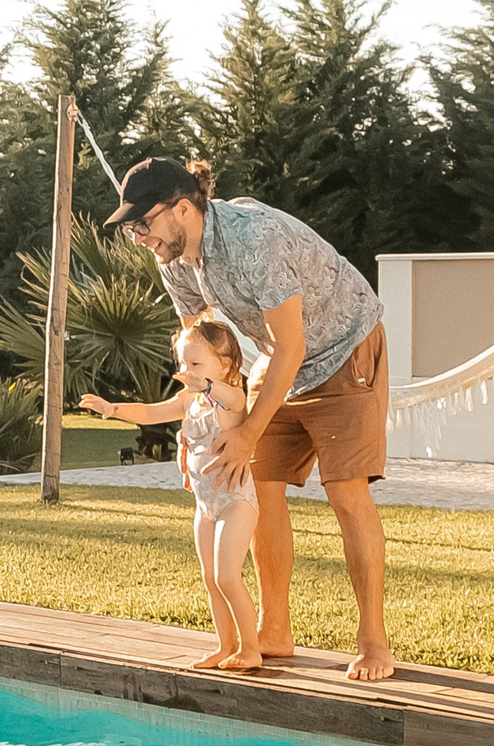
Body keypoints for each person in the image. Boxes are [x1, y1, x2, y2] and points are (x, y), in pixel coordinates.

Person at [105, 156, 395, 682]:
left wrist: (247, 433)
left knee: (345, 490)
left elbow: (293, 344)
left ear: (184, 209)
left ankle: (374, 642)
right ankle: (274, 629)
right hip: (277, 359)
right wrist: (197, 426)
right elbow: (202, 352)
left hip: (343, 347)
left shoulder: (252, 239)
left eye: (142, 223)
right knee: (254, 479)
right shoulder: (174, 260)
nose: (139, 236)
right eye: (131, 229)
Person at [79, 316, 261, 670]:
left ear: (224, 366)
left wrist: (206, 385)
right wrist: (113, 409)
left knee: (227, 576)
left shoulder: (230, 398)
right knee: (210, 578)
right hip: (205, 503)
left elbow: (232, 398)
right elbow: (150, 412)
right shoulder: (188, 400)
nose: (185, 370)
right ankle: (226, 645)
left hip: (236, 501)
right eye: (182, 363)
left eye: (195, 363)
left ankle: (250, 648)